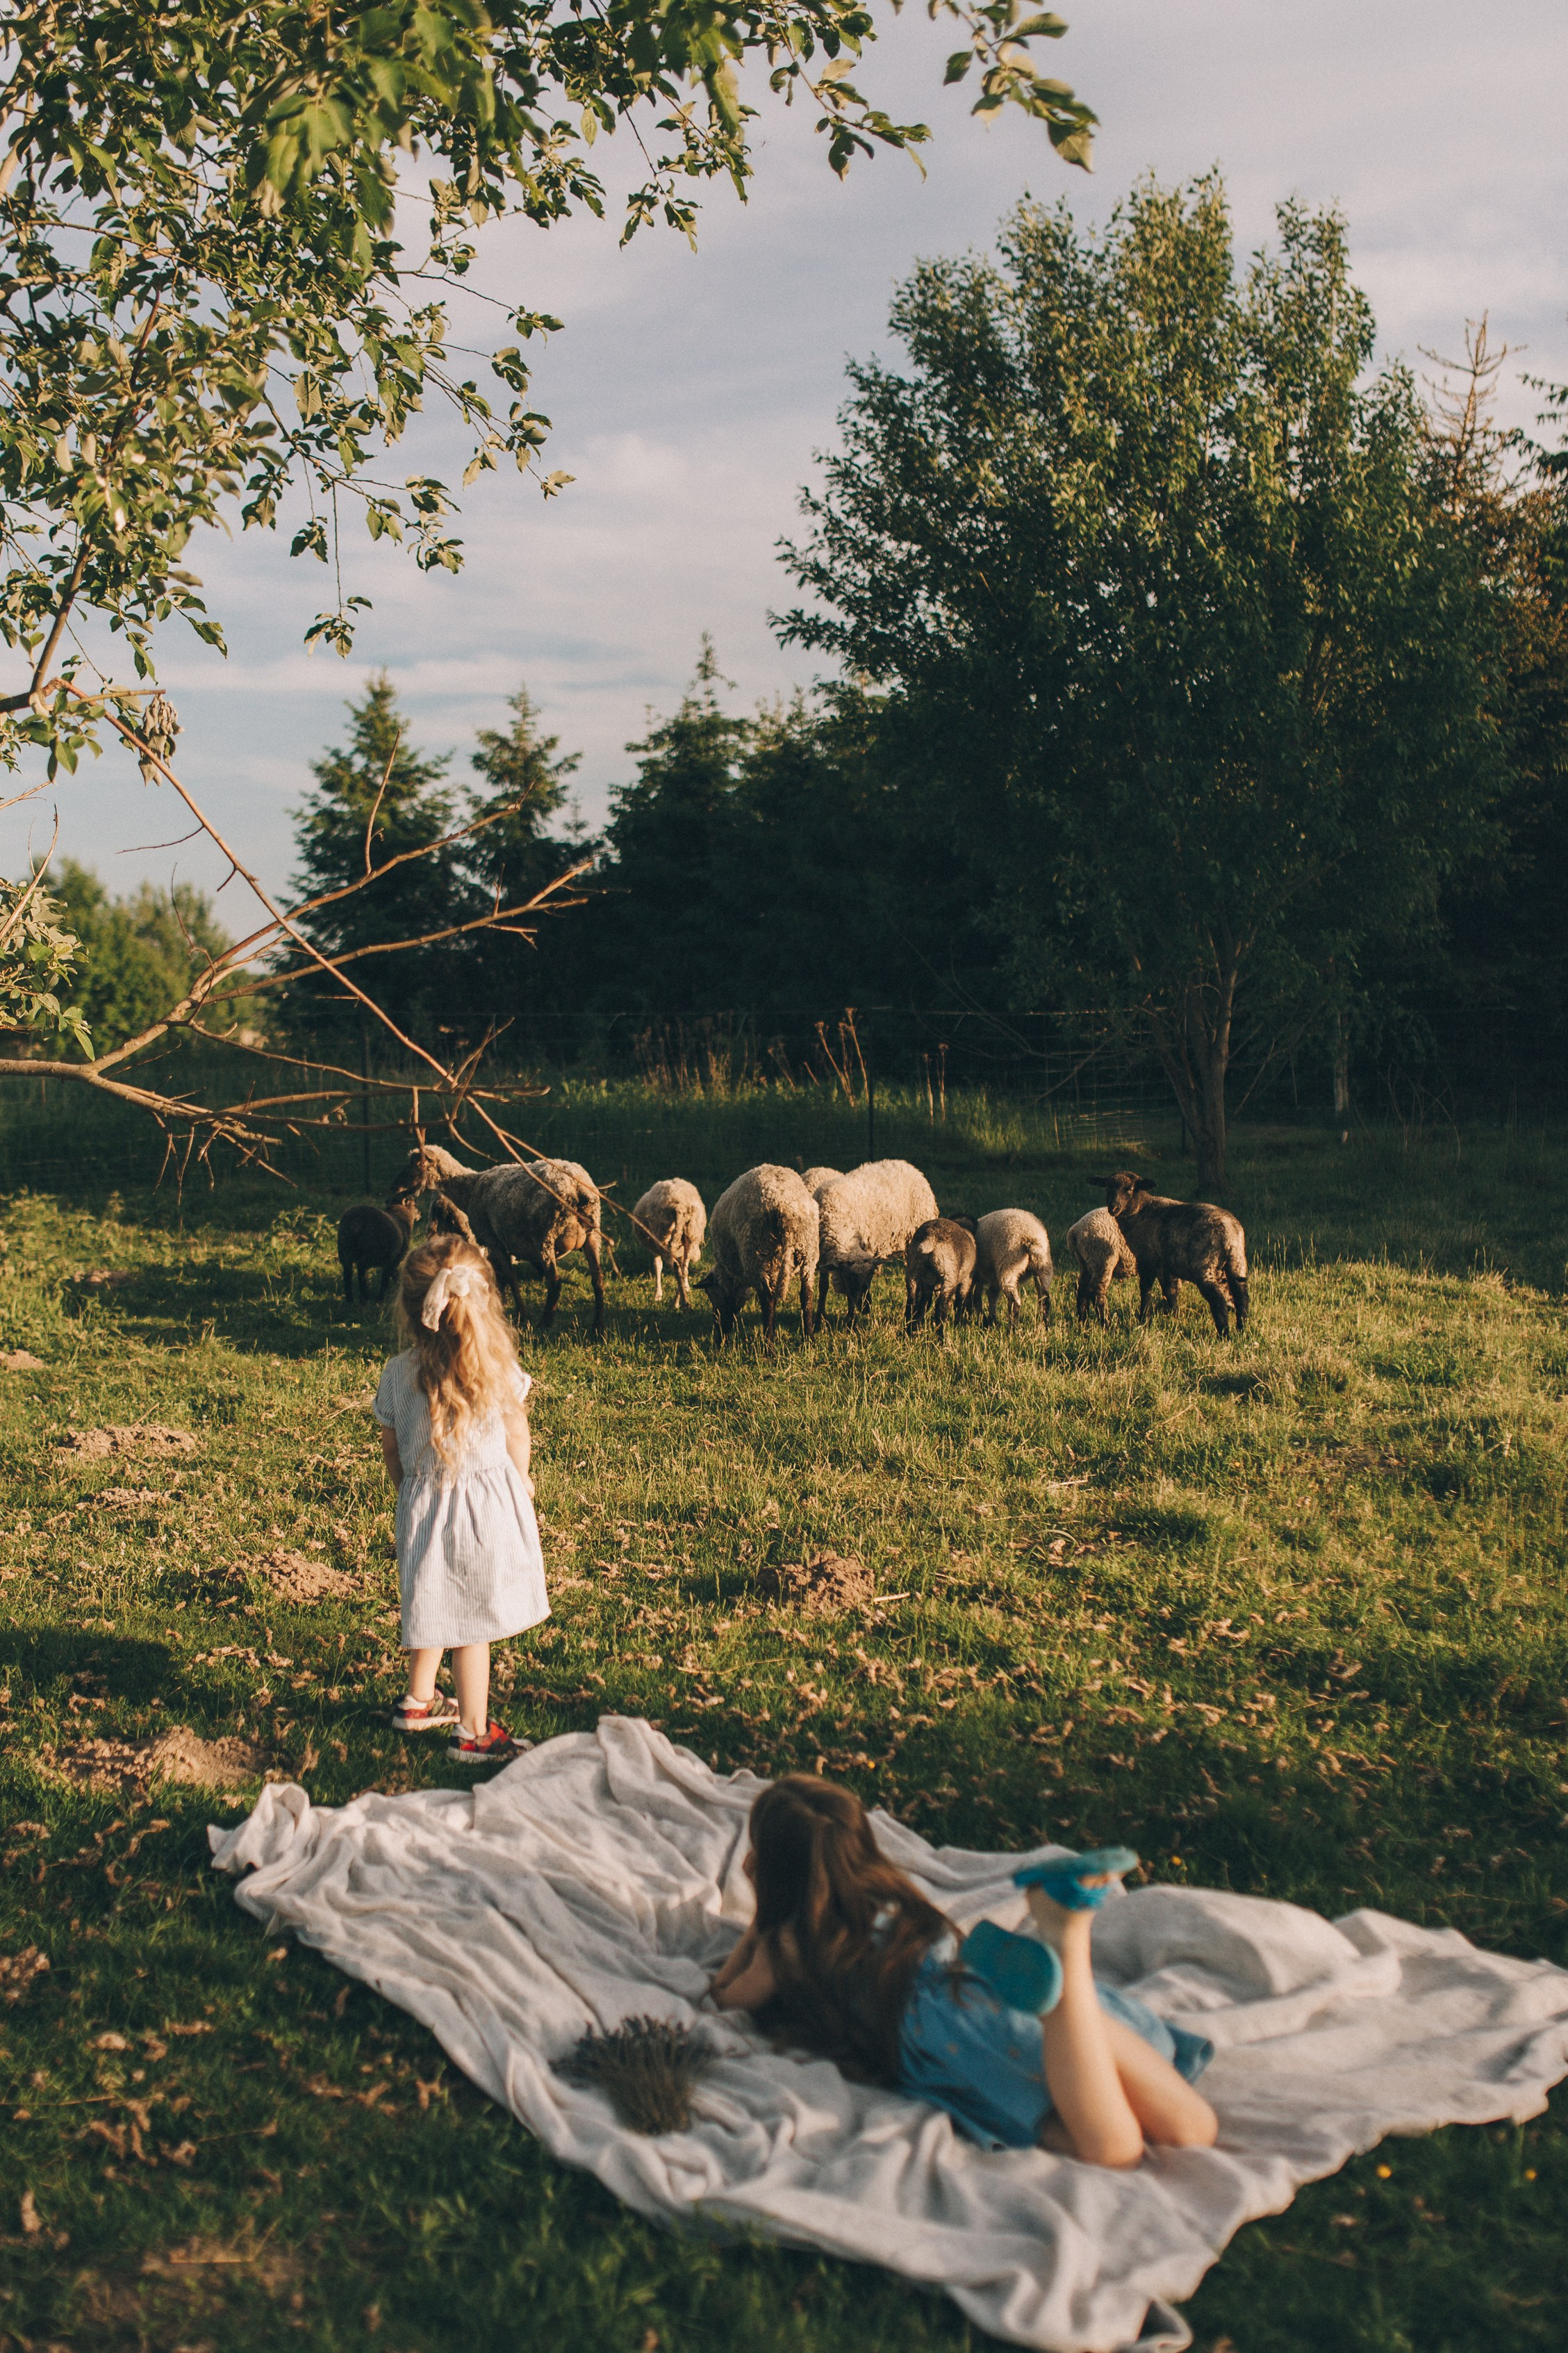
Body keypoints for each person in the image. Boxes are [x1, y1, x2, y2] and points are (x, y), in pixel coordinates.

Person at [709, 1775, 1218, 2168]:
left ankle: (1066, 1947)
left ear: (773, 1867)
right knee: (1193, 2127)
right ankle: (1070, 1962)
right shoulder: (888, 1898)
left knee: (1111, 2150)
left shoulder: (790, 1942)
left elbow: (730, 1997)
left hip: (947, 2041)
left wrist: (764, 1915)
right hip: (974, 1986)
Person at [373, 1231, 549, 1762]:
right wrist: (521, 1480)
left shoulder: (396, 1373)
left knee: (434, 1592)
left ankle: (418, 1700)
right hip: (483, 1511)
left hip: (423, 1505)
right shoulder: (496, 1372)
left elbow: (391, 1444)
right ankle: (473, 1733)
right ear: (487, 1300)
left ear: (411, 1307)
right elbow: (517, 1435)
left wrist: (406, 1486)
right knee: (470, 1620)